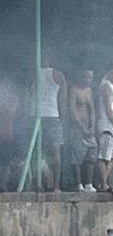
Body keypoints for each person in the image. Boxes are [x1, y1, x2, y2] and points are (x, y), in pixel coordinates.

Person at [95, 64, 113, 192]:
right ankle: (104, 184)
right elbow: (108, 108)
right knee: (104, 156)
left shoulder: (109, 85)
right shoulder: (106, 86)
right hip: (106, 125)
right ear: (109, 72)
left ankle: (103, 183)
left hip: (110, 126)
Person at [67, 69, 97, 192]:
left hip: (88, 128)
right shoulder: (74, 90)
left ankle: (88, 183)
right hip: (76, 128)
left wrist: (92, 127)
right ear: (80, 76)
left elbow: (92, 111)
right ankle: (78, 184)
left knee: (92, 154)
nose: (88, 80)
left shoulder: (89, 91)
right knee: (77, 157)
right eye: (86, 77)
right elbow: (72, 111)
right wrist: (81, 127)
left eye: (90, 77)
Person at [38, 63, 67, 191]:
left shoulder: (34, 73)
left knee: (40, 153)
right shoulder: (58, 74)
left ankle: (42, 184)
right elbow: (63, 99)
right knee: (55, 151)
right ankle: (55, 186)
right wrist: (63, 118)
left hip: (36, 115)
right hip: (52, 116)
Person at [0, 81, 19, 192]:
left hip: (7, 134)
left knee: (5, 162)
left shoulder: (12, 101)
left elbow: (12, 110)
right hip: (6, 134)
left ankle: (3, 185)